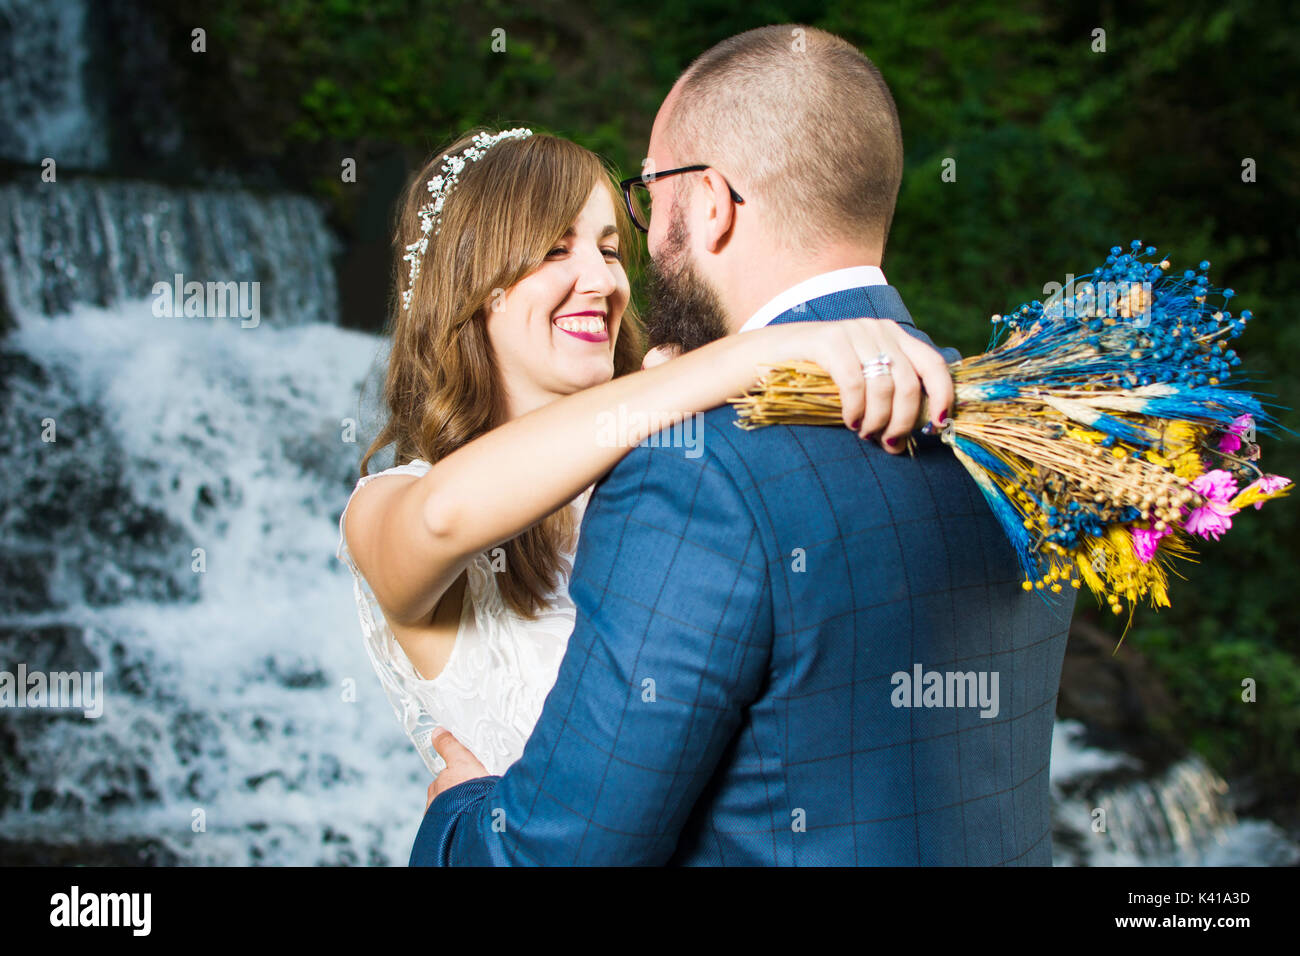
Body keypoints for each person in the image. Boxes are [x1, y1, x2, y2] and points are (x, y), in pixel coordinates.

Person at [412, 24, 1077, 866]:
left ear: (714, 204)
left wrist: (456, 814)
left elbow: (559, 855)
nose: (643, 249)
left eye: (649, 198)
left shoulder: (699, 470)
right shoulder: (1022, 426)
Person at [337, 127, 954, 780]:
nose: (600, 281)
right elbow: (443, 517)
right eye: (553, 250)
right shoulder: (385, 508)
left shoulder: (678, 456)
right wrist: (748, 354)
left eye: (608, 250)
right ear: (470, 283)